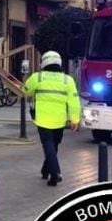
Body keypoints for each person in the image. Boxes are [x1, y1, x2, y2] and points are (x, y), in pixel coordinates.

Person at [23, 51, 81, 186]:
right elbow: (74, 102)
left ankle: (53, 172)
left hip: (42, 118)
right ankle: (49, 171)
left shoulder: (37, 78)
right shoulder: (68, 80)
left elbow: (25, 91)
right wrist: (75, 120)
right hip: (60, 119)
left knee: (49, 145)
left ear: (43, 62)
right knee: (53, 145)